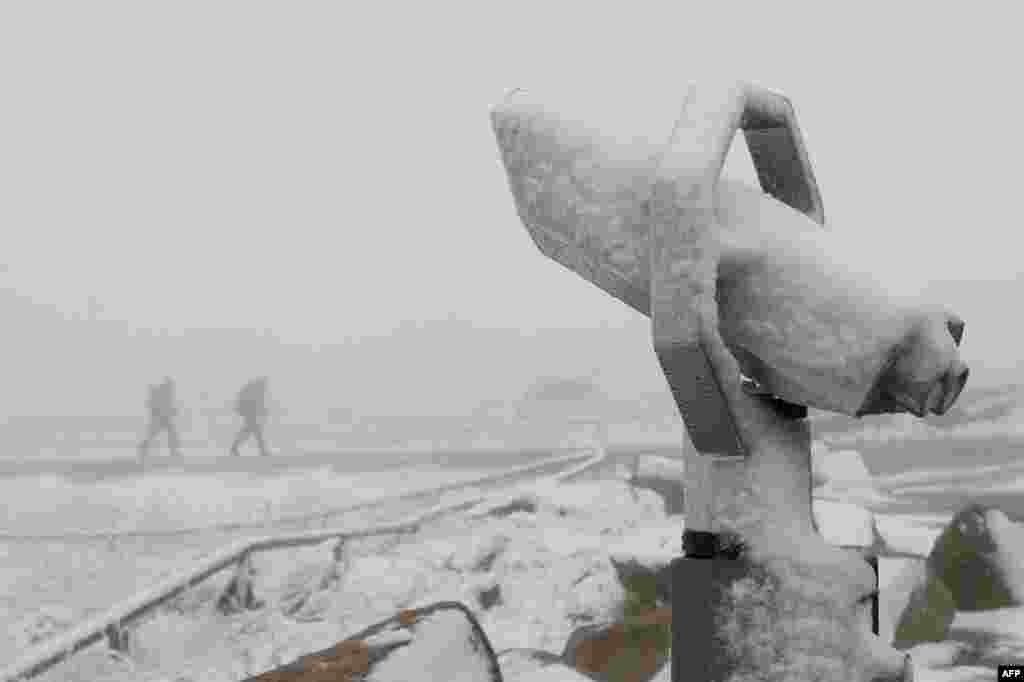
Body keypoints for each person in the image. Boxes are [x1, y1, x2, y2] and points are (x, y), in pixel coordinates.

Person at [138, 376, 182, 459]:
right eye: (171, 386)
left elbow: (167, 405)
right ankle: (143, 449)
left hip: (164, 418)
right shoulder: (163, 392)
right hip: (159, 418)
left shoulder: (166, 392)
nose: (172, 388)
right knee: (153, 435)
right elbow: (157, 405)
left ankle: (174, 452)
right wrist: (171, 411)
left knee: (171, 435)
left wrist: (172, 411)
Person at [230, 376, 271, 457]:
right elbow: (257, 402)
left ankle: (234, 447)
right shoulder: (257, 388)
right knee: (256, 431)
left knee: (250, 431)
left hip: (248, 412)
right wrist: (263, 410)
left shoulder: (254, 387)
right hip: (250, 413)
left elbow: (258, 402)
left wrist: (262, 410)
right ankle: (262, 451)